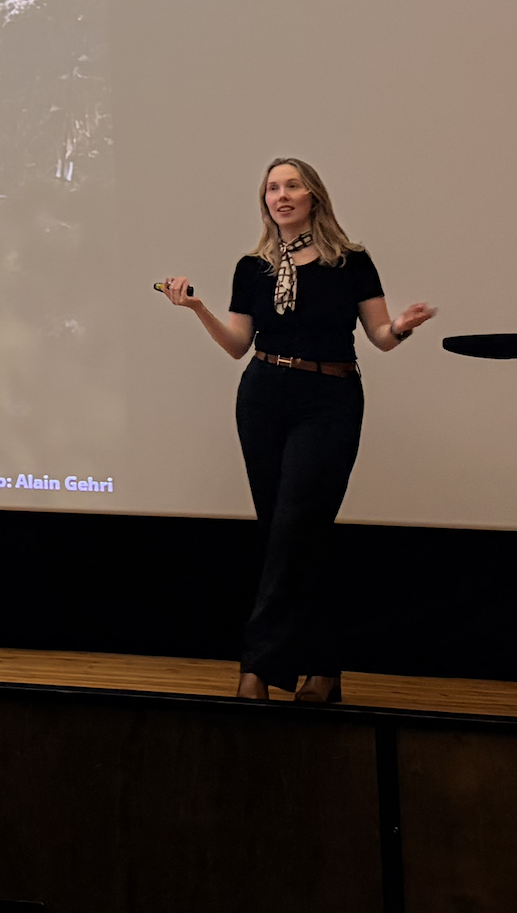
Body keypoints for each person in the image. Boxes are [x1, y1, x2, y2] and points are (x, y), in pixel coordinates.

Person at [157, 157, 436, 703]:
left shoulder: (350, 262)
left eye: (292, 186)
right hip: (263, 396)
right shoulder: (251, 268)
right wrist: (197, 308)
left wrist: (401, 327)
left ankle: (256, 668)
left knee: (293, 529)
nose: (281, 196)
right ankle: (324, 670)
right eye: (272, 188)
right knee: (288, 536)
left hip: (329, 398)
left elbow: (380, 336)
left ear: (314, 196)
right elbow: (237, 345)